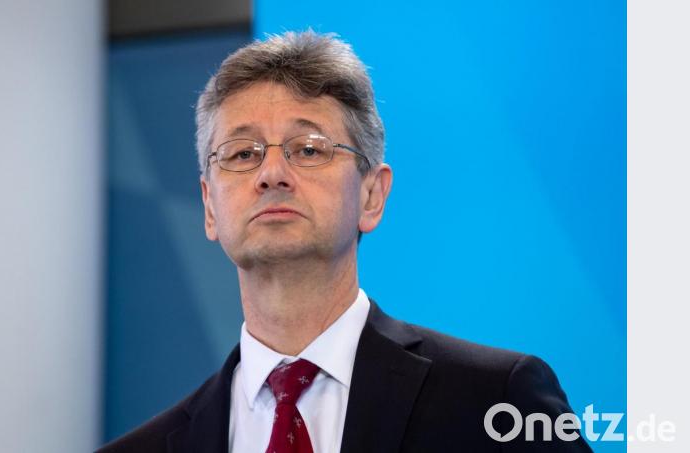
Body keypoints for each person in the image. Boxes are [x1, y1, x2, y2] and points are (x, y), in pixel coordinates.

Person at [98, 30, 592, 453]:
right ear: (209, 206)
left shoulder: (498, 400)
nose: (271, 173)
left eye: (308, 149)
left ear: (372, 195)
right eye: (242, 153)